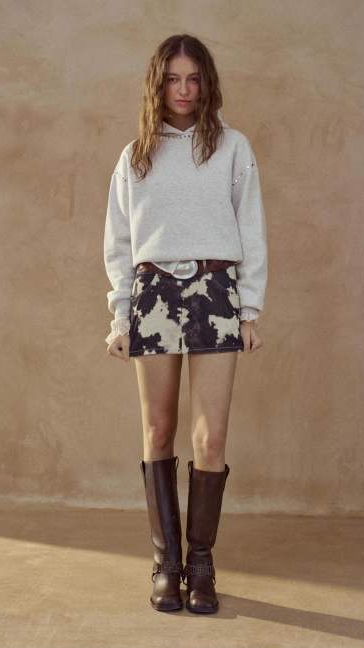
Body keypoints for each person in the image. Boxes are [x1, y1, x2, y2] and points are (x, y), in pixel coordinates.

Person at [103, 34, 268, 614]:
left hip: (216, 292)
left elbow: (251, 227)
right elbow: (120, 241)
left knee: (210, 438)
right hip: (152, 295)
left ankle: (201, 565)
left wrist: (249, 309)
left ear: (206, 84)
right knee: (157, 430)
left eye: (193, 79)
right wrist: (120, 315)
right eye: (173, 79)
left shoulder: (232, 148)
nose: (183, 89)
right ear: (158, 84)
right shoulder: (136, 156)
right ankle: (165, 565)